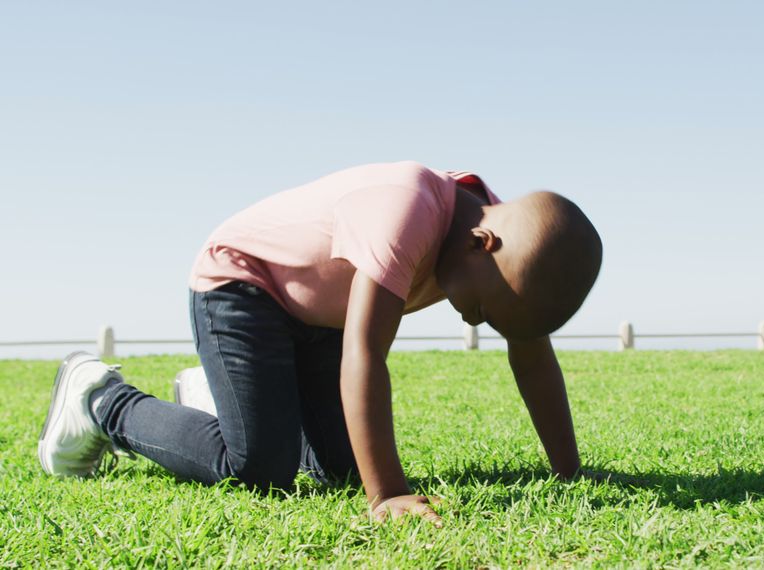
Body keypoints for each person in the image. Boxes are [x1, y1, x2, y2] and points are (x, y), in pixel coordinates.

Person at [37, 161, 603, 526]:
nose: (481, 323)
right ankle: (102, 400)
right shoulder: (410, 213)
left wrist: (569, 470)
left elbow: (530, 352)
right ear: (482, 244)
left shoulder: (505, 243)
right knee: (258, 469)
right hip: (245, 285)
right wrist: (387, 496)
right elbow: (364, 353)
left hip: (316, 315)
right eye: (487, 312)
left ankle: (221, 398)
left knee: (341, 470)